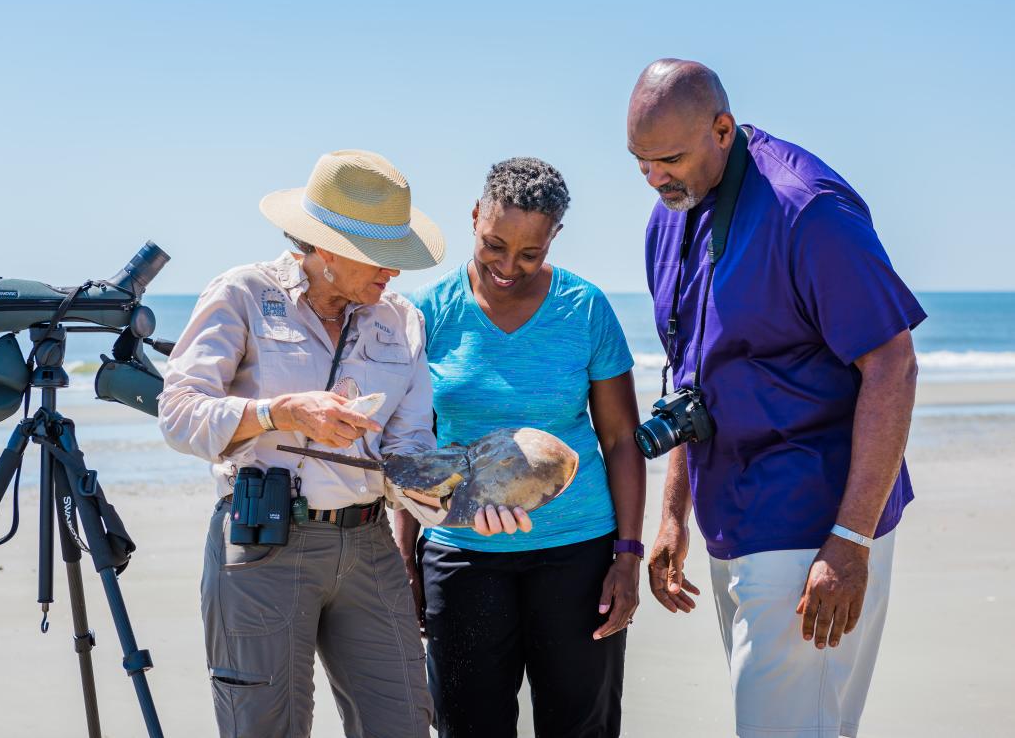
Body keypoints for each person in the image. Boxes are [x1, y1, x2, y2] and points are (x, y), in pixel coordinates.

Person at [158, 149, 527, 738]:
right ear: (325, 247)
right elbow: (177, 414)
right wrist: (277, 412)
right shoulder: (242, 295)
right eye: (381, 256)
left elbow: (408, 454)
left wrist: (463, 506)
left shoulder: (401, 320)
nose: (395, 273)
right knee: (263, 728)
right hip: (261, 546)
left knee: (406, 722)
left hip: (369, 545)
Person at [627, 59, 925, 738]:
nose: (653, 178)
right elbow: (691, 374)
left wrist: (848, 542)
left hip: (813, 531)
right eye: (639, 161)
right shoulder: (668, 214)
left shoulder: (808, 208)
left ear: (723, 129)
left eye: (668, 158)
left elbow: (893, 364)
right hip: (730, 524)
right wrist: (673, 514)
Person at [396, 157, 648, 737]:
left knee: (580, 728)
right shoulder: (426, 314)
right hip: (459, 555)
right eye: (494, 244)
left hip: (578, 552)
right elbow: (415, 450)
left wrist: (628, 555)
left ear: (554, 237)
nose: (510, 266)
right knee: (466, 727)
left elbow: (620, 440)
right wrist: (404, 558)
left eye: (530, 253)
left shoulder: (585, 309)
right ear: (475, 216)